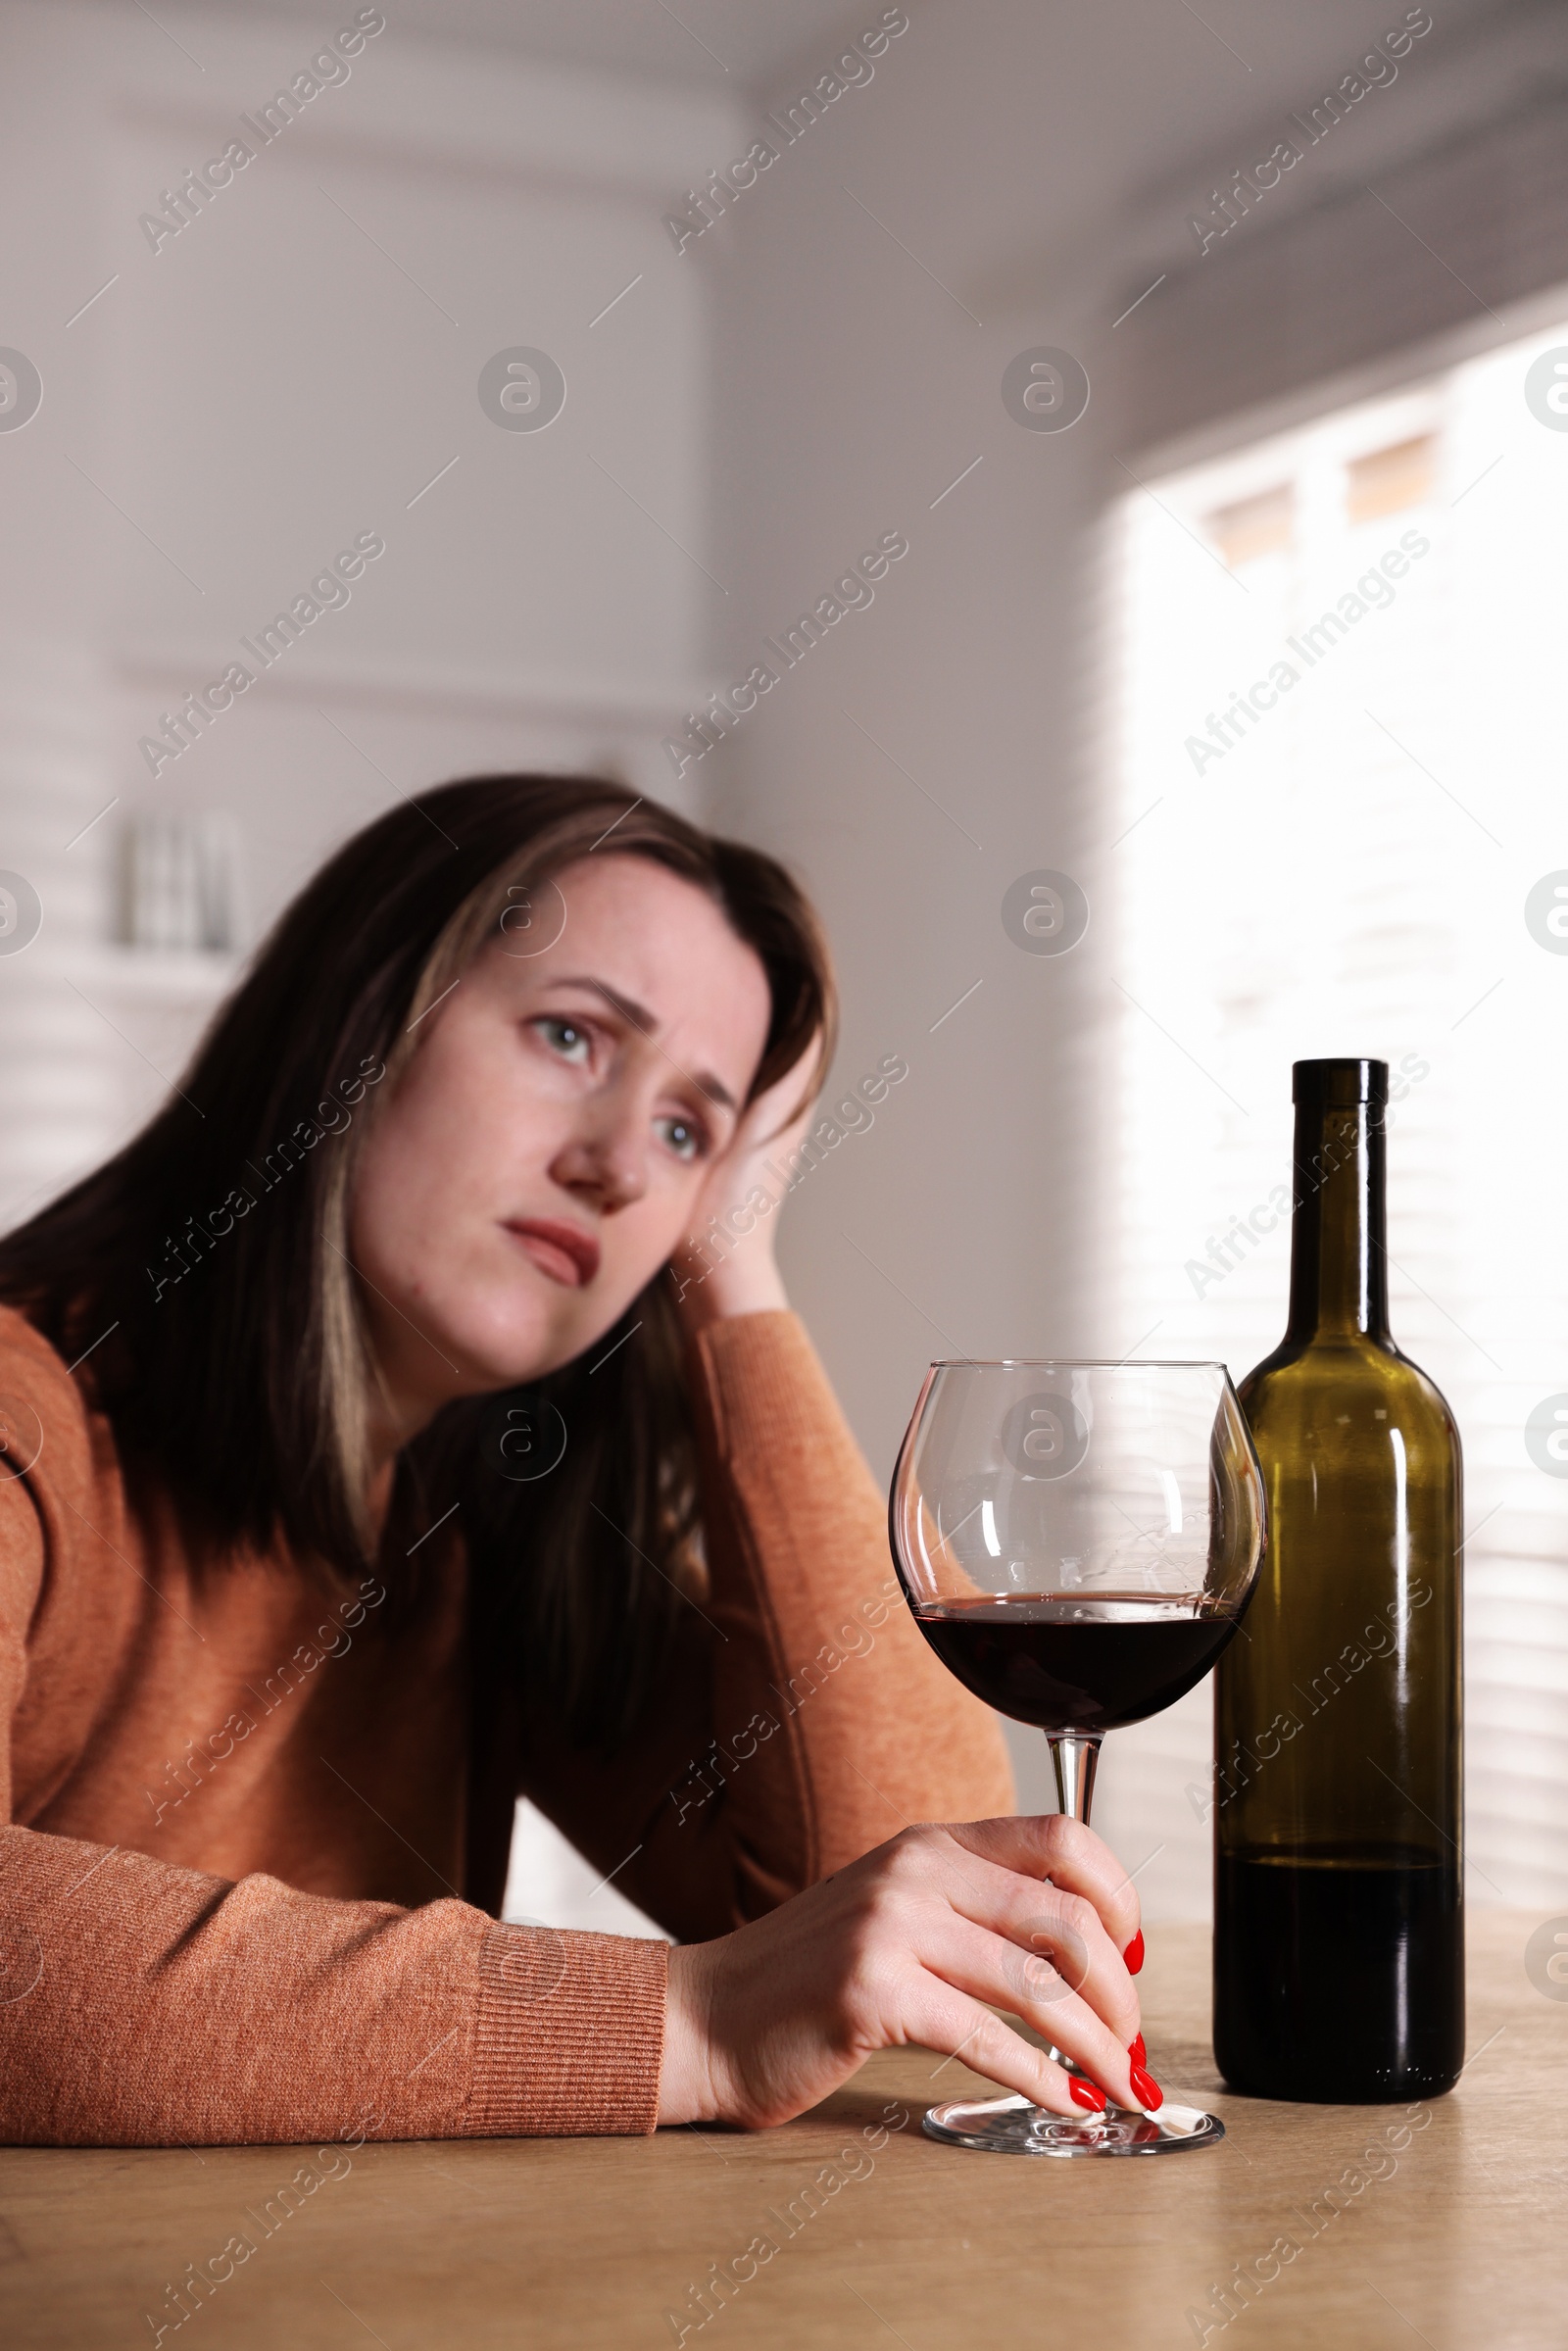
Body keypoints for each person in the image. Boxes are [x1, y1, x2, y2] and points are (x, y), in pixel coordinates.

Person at [0, 775, 1152, 2146]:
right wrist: (681, 2023)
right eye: (569, 1035)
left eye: (687, 1133)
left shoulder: (489, 1526)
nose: (619, 1167)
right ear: (357, 1020)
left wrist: (735, 1274)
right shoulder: (33, 1418)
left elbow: (917, 1911)